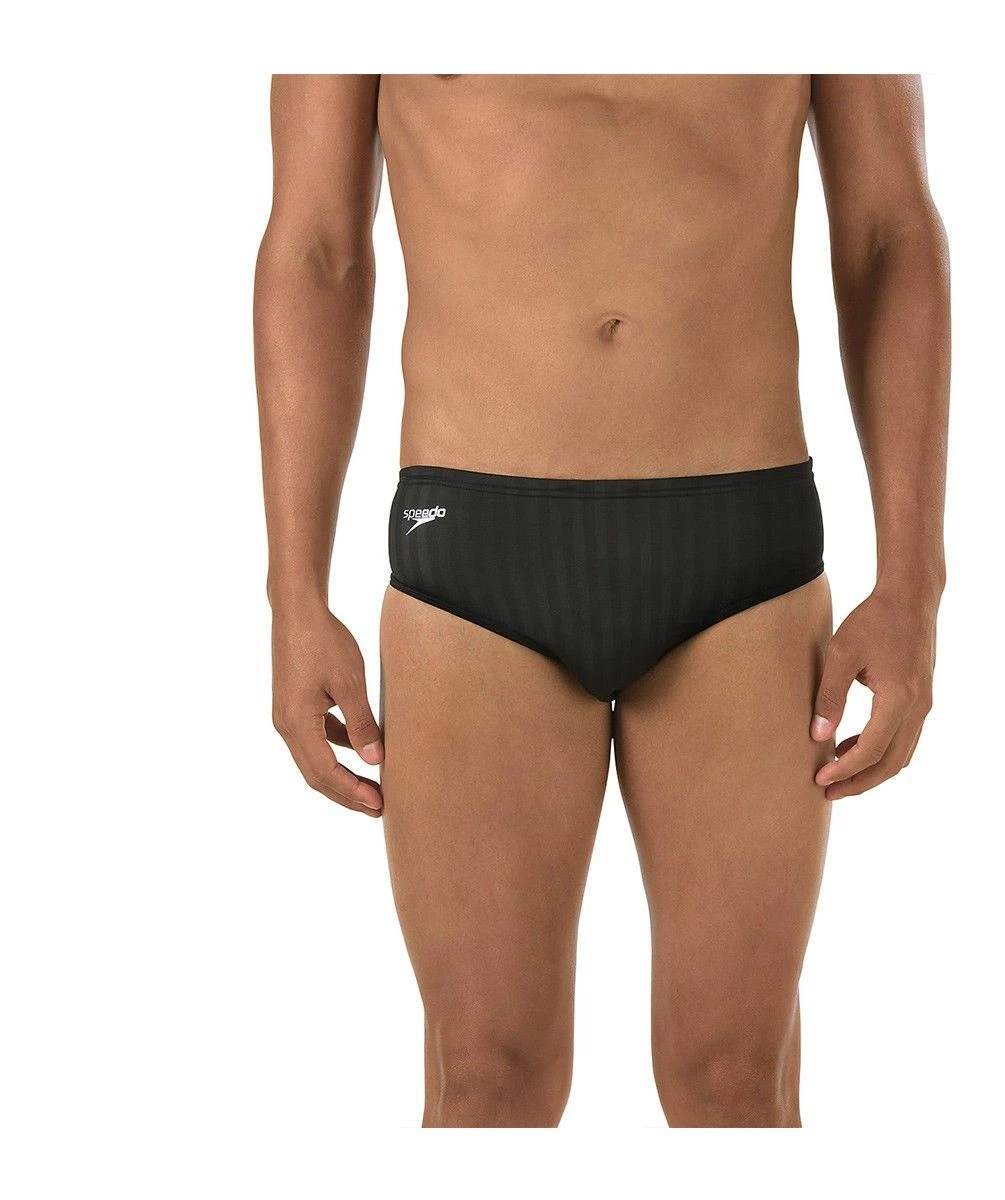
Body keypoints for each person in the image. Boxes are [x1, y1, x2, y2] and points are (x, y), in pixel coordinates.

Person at [254, 74, 949, 1128]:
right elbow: (317, 248)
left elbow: (888, 230)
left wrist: (914, 582)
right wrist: (293, 595)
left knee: (733, 1080)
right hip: (473, 557)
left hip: (741, 558)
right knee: (488, 1079)